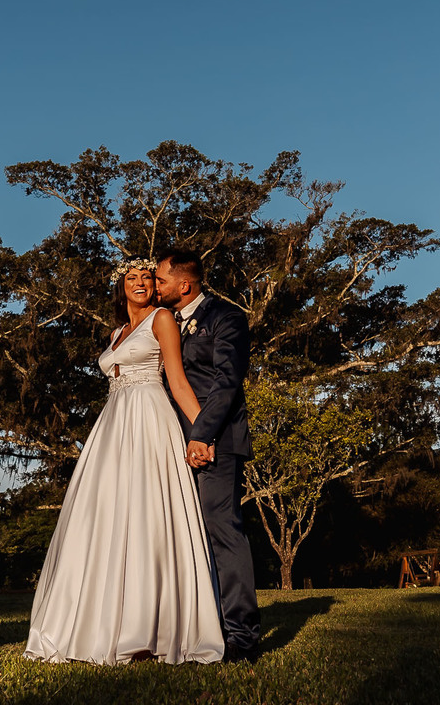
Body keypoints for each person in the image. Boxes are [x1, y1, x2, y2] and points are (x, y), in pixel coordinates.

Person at [24, 258, 224, 665]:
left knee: (147, 513)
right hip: (113, 425)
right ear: (122, 287)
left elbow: (177, 380)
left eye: (147, 277)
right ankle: (99, 623)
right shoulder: (116, 333)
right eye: (132, 278)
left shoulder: (162, 319)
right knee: (103, 515)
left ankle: (148, 629)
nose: (140, 283)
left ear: (155, 286)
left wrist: (203, 433)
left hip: (149, 418)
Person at [155, 248, 261, 662]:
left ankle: (242, 637)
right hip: (170, 443)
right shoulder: (163, 321)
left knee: (222, 531)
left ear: (184, 284)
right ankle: (198, 629)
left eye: (161, 279)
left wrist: (202, 435)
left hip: (216, 442)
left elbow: (227, 381)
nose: (155, 286)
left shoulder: (225, 317)